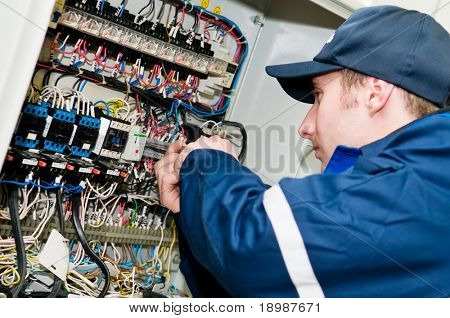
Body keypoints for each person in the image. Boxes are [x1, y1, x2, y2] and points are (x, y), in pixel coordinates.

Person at [155, 5, 450, 297]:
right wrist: (191, 208)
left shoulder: (427, 181)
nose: (305, 127)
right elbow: (268, 293)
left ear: (374, 93)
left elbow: (251, 250)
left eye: (319, 96)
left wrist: (208, 163)